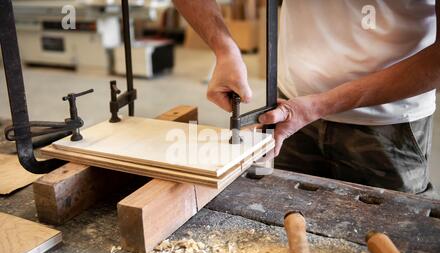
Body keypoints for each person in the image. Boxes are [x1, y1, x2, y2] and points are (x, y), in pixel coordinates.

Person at [173, 0, 439, 196]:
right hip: (290, 112)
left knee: (393, 238)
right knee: (280, 217)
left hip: (389, 124)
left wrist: (320, 105)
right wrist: (224, 48)